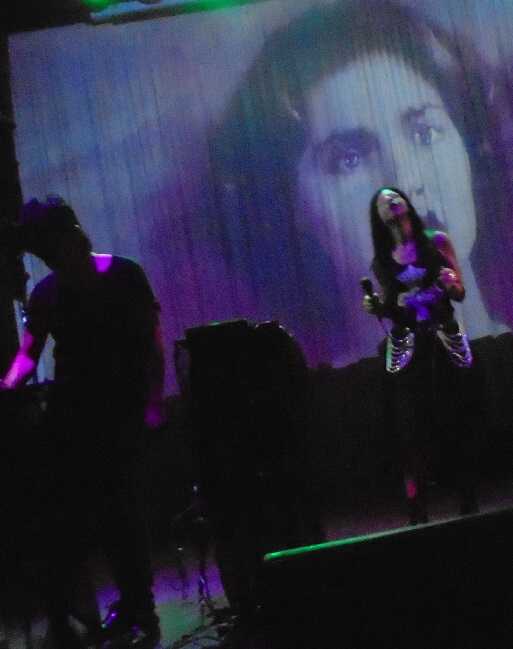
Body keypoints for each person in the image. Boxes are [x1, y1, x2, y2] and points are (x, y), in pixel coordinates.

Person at [210, 0, 512, 370]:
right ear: (292, 207)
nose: (403, 184)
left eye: (425, 133)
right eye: (348, 160)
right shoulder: (327, 402)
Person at [0, 196, 165, 649]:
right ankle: (126, 610)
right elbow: (29, 353)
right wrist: (8, 383)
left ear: (71, 235)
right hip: (74, 417)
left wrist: (153, 403)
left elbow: (151, 342)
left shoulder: (124, 275)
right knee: (93, 518)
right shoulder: (49, 293)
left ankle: (139, 609)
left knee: (121, 516)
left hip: (118, 413)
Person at [363, 186, 478, 524]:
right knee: (412, 427)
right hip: (410, 349)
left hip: (443, 339)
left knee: (456, 416)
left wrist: (450, 284)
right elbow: (392, 309)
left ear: (406, 204)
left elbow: (459, 292)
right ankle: (418, 510)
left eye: (395, 197)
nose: (391, 201)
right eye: (383, 202)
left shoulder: (436, 241)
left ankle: (468, 500)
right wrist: (376, 307)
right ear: (379, 217)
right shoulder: (382, 261)